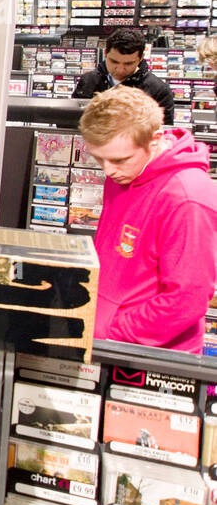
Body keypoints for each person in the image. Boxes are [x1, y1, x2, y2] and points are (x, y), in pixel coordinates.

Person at [79, 86, 217, 353]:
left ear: (155, 140)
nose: (108, 170)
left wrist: (109, 329)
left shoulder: (188, 199)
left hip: (151, 356)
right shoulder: (125, 174)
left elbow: (185, 300)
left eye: (119, 159)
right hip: (107, 343)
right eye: (99, 158)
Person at [73, 28, 175, 124]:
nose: (120, 69)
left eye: (128, 64)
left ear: (141, 58)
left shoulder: (159, 90)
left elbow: (164, 132)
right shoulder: (88, 80)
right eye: (114, 61)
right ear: (105, 53)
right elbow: (73, 120)